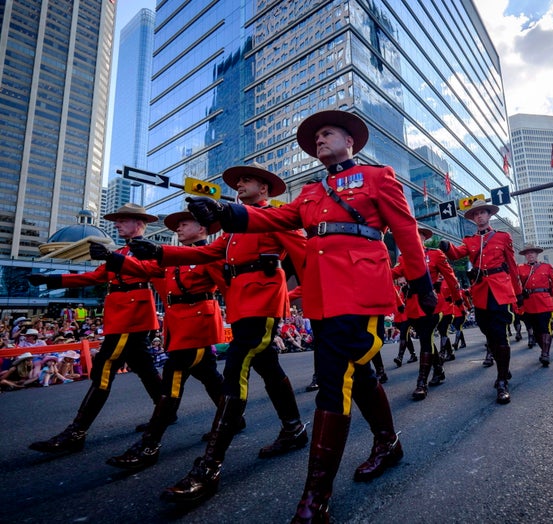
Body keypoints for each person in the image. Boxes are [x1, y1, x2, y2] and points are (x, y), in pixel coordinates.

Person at [147, 110, 436, 522]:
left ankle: (314, 499)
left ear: (349, 141)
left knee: (335, 383)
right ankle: (387, 443)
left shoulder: (378, 176)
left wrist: (422, 284)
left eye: (327, 133)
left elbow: (406, 230)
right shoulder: (310, 191)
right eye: (315, 137)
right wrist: (226, 213)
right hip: (322, 295)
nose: (319, 140)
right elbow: (276, 217)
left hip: (360, 289)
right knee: (361, 374)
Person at [131, 164, 309, 502]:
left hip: (264, 299)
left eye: (246, 180)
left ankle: (209, 466)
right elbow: (207, 253)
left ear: (265, 189)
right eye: (237, 181)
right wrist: (160, 253)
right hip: (242, 303)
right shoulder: (232, 227)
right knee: (268, 366)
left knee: (236, 369)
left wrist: (320, 303)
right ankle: (294, 428)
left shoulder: (278, 215)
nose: (239, 184)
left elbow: (304, 255)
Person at [88, 210, 233, 471]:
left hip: (198, 325)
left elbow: (228, 289)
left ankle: (149, 445)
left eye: (184, 223)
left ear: (202, 229)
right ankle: (234, 419)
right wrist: (112, 258)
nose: (178, 228)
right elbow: (144, 268)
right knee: (209, 375)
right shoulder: (173, 257)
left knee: (171, 382)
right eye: (177, 225)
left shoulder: (210, 254)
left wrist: (243, 321)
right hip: (179, 326)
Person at [26, 203, 164, 454]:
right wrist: (52, 279)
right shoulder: (121, 250)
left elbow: (150, 270)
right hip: (121, 315)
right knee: (145, 368)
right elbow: (95, 277)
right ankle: (166, 411)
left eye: (123, 220)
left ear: (139, 224)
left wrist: (115, 258)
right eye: (117, 220)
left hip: (132, 316)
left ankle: (77, 432)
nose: (117, 224)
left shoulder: (147, 250)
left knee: (104, 369)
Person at [439, 200, 522, 404]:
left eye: (483, 213)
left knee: (499, 333)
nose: (480, 217)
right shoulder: (470, 240)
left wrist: (518, 293)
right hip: (481, 291)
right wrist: (447, 247)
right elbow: (457, 253)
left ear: (489, 215)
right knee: (487, 331)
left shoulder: (503, 237)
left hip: (500, 290)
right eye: (476, 215)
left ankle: (502, 380)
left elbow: (511, 265)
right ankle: (504, 367)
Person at [393, 227, 460, 400]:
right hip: (413, 307)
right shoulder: (403, 258)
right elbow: (394, 273)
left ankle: (421, 383)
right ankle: (439, 370)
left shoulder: (435, 254)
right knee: (426, 339)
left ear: (423, 238)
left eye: (418, 235)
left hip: (431, 304)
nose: (414, 238)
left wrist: (458, 299)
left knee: (425, 340)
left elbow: (451, 277)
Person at [517, 246, 553, 367]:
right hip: (528, 303)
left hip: (544, 302)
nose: (530, 255)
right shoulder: (520, 268)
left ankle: (545, 354)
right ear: (525, 256)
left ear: (537, 254)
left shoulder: (546, 267)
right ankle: (544, 348)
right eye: (527, 254)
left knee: (544, 328)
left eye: (532, 253)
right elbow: (516, 284)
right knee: (535, 330)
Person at [391, 279, 418, 367]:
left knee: (403, 335)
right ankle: (413, 355)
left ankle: (400, 357)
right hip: (398, 316)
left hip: (407, 315)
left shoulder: (407, 287)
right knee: (407, 337)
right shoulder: (394, 287)